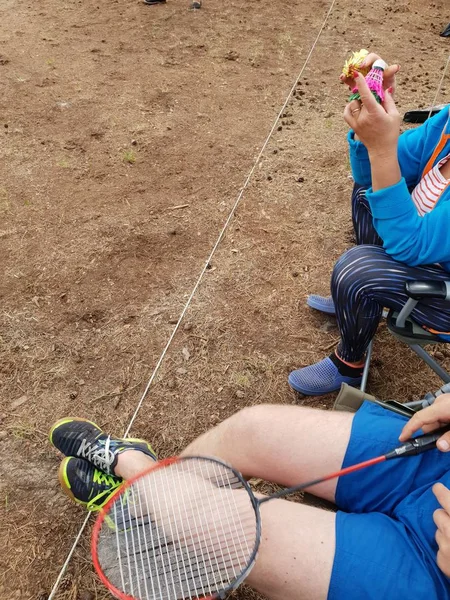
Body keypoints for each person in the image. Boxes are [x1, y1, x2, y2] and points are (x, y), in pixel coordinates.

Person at [50, 395, 450, 599]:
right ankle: (150, 496)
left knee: (224, 525)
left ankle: (130, 468)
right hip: (438, 461)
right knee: (253, 430)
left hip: (432, 571)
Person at [288, 54, 450, 396]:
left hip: (443, 289)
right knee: (367, 190)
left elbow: (411, 244)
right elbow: (368, 174)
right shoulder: (447, 124)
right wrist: (369, 125)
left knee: (356, 269)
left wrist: (380, 150)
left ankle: (349, 363)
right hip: (419, 244)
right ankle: (362, 302)